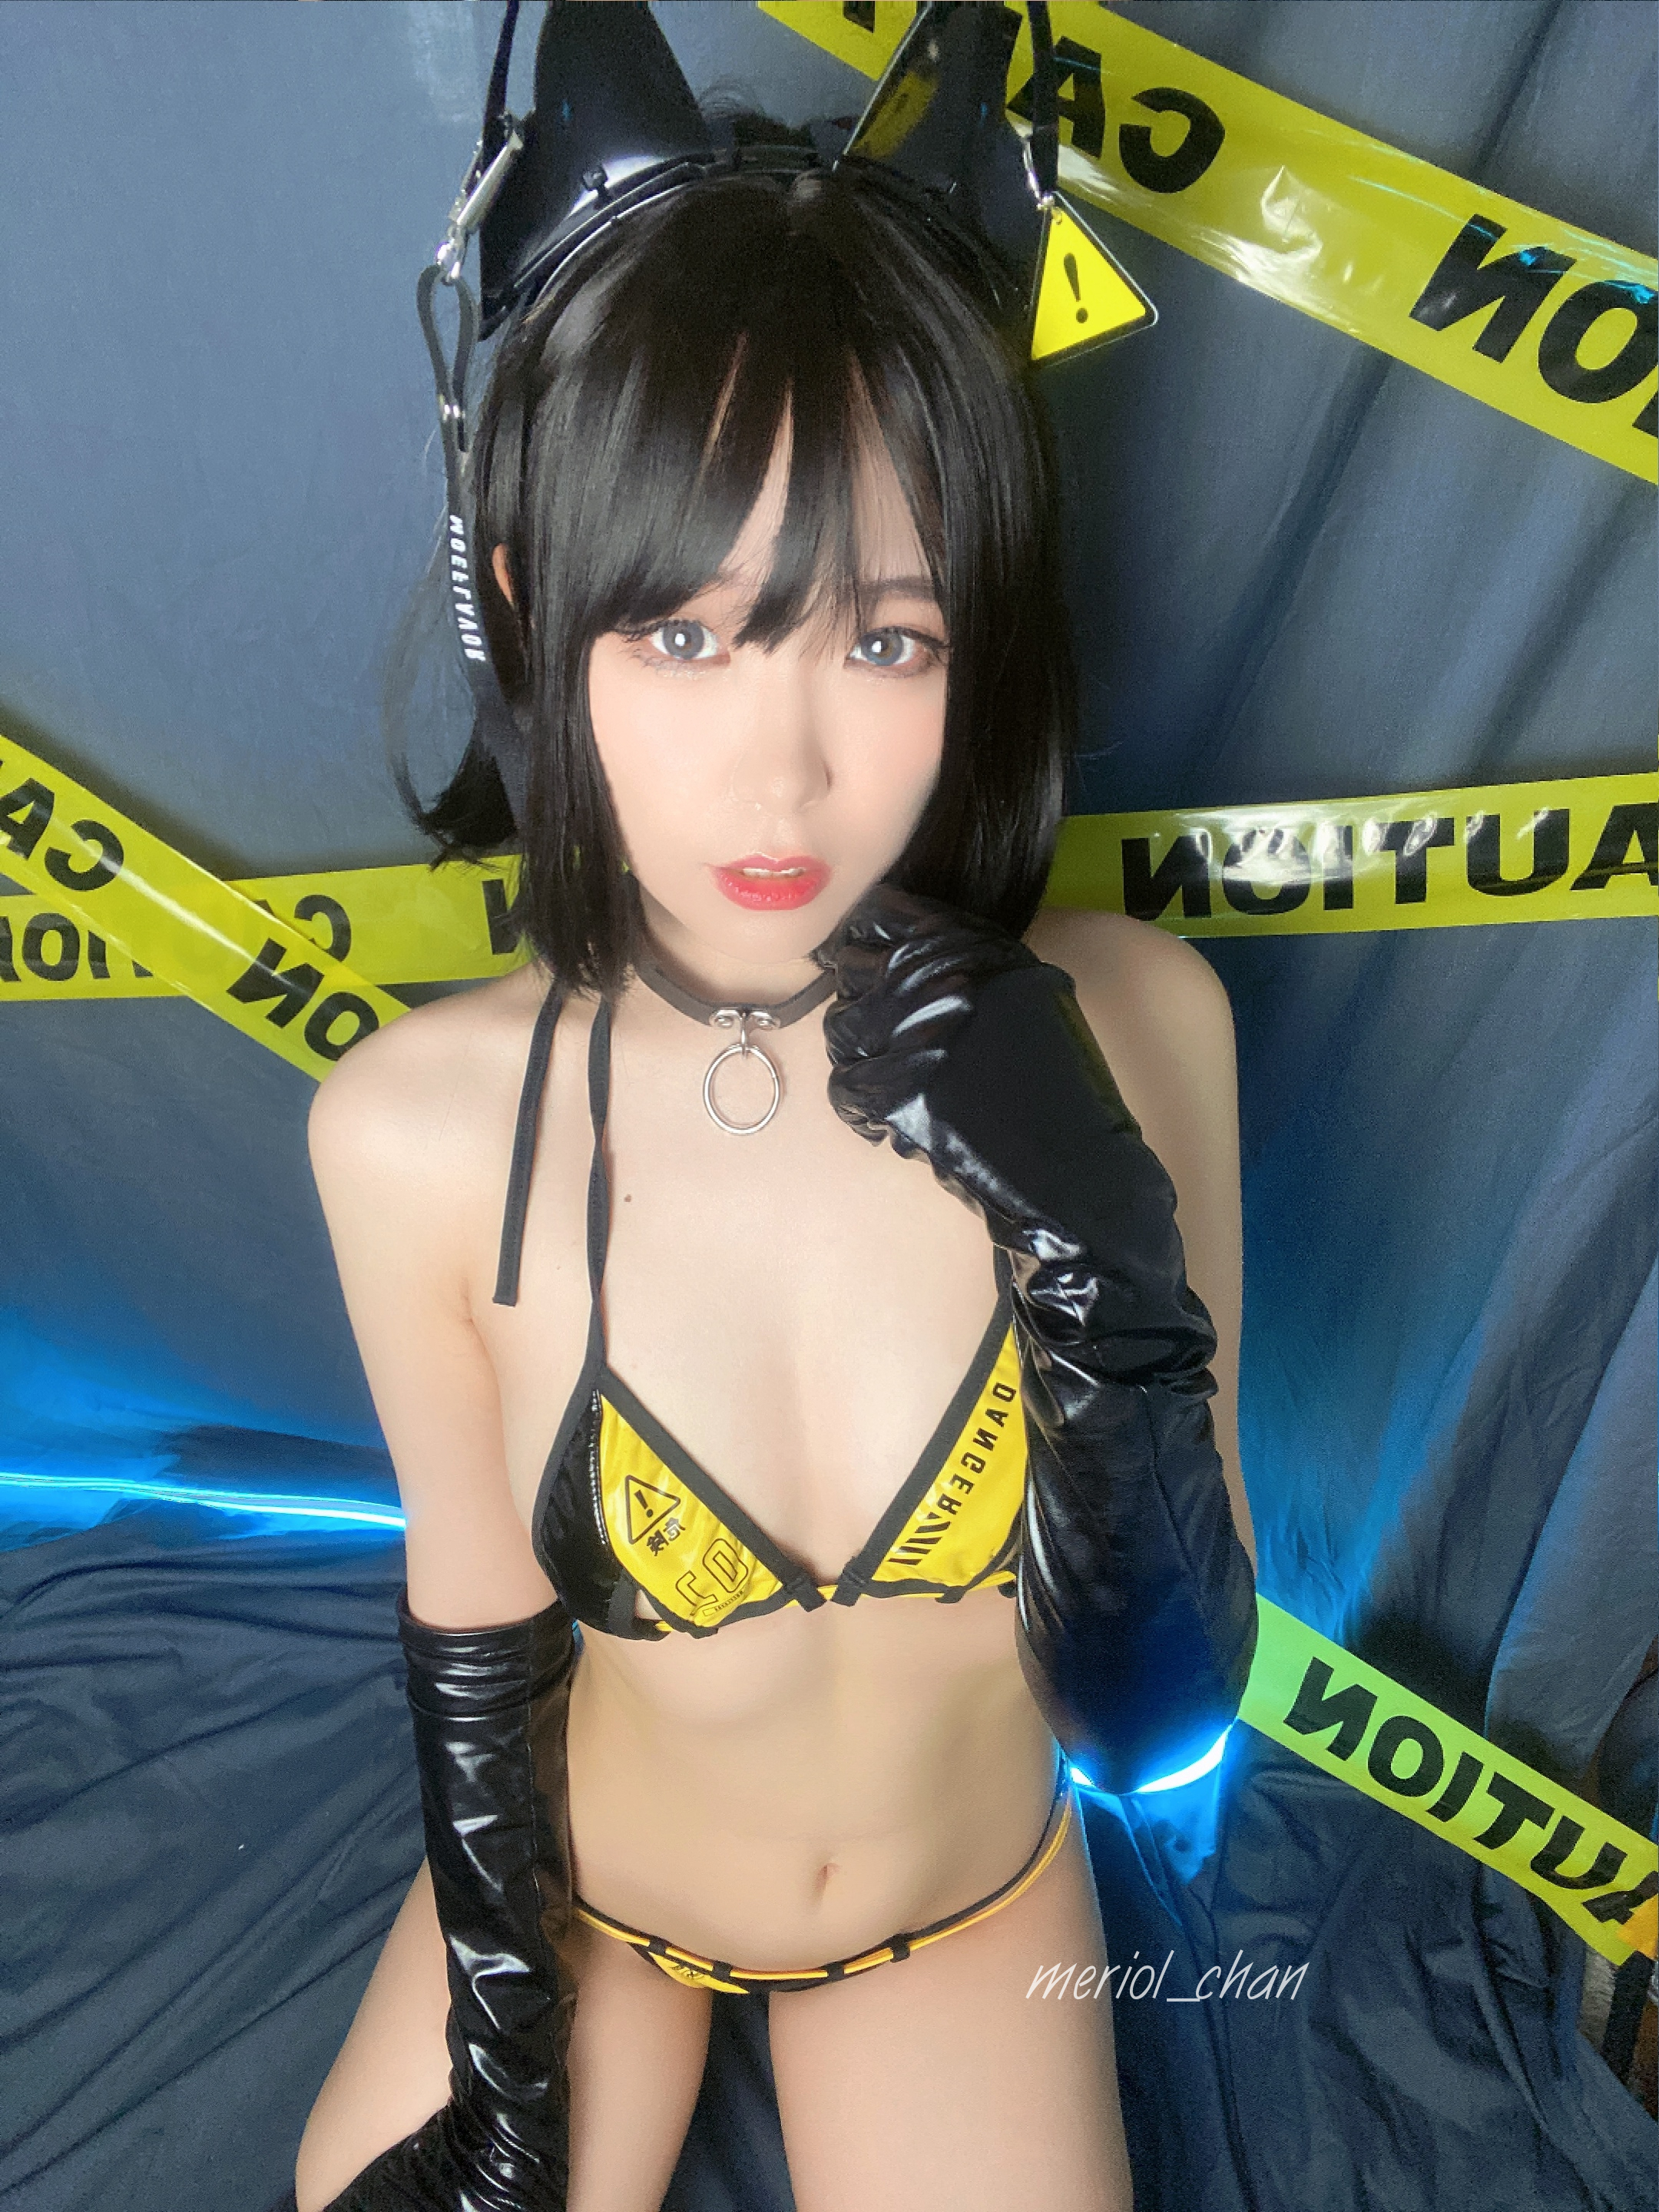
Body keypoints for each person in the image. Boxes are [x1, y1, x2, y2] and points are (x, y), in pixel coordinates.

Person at [290, 8, 1257, 2207]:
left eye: (882, 641)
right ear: (528, 611)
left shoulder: (1143, 1030)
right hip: (594, 1908)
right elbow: (476, 1640)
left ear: (979, 640)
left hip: (967, 1914)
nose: (786, 772)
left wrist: (1100, 1261)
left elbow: (1159, 1718)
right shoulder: (415, 1138)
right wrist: (509, 2085)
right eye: (687, 637)